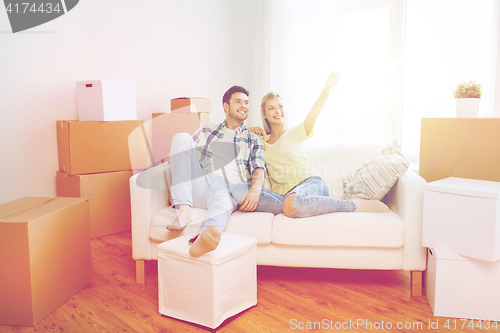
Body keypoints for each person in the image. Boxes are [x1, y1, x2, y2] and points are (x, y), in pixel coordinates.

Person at [232, 72, 390, 217]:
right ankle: (297, 206)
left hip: (311, 183)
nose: (277, 111)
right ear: (264, 114)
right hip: (286, 195)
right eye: (271, 108)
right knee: (239, 190)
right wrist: (244, 129)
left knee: (292, 202)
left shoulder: (296, 133)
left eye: (280, 106)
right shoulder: (261, 143)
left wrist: (327, 89)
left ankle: (351, 206)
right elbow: (231, 138)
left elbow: (313, 113)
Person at [166, 85, 266, 256]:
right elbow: (180, 154)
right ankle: (183, 209)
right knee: (181, 137)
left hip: (227, 189)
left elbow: (259, 168)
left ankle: (202, 239)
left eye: (247, 102)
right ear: (226, 106)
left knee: (222, 204)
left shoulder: (252, 138)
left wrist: (255, 190)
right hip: (201, 182)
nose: (244, 105)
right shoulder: (207, 130)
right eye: (238, 101)